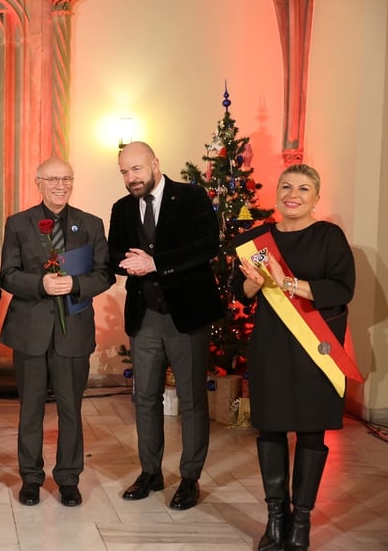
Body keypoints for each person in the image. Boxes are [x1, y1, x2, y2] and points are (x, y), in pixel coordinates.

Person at [232, 164, 355, 550]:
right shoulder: (258, 240)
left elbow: (341, 288)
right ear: (278, 193)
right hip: (270, 344)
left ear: (316, 197)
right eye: (286, 186)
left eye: (304, 188)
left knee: (310, 429)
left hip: (315, 349)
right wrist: (252, 283)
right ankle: (276, 518)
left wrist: (287, 283)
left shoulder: (329, 237)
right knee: (269, 427)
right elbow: (240, 294)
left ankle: (300, 521)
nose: (293, 194)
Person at [107, 141, 222, 510]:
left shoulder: (191, 197)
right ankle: (151, 472)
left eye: (136, 169)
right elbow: (114, 255)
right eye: (125, 172)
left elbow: (207, 246)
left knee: (190, 400)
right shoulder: (122, 208)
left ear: (155, 163)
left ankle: (189, 478)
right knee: (144, 399)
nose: (131, 178)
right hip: (145, 318)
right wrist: (129, 263)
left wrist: (156, 263)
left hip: (187, 316)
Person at [0, 157, 114, 507]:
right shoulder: (18, 224)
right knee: (30, 410)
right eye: (53, 179)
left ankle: (68, 478)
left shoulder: (90, 224)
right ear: (39, 182)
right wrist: (41, 283)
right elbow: (7, 274)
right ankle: (31, 479)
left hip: (73, 332)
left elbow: (105, 274)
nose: (60, 185)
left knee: (70, 409)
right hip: (30, 331)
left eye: (66, 178)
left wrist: (75, 283)